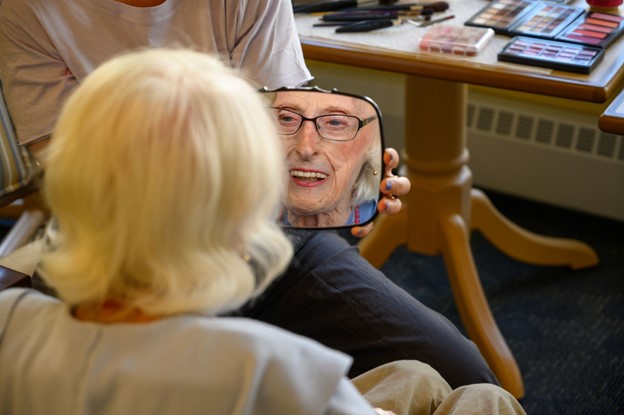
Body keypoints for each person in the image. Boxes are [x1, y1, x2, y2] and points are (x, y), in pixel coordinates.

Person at [0, 0, 500, 388]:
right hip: (122, 248)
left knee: (464, 372)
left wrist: (337, 182)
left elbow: (280, 141)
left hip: (263, 232)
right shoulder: (27, 10)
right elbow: (76, 175)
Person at [270, 89, 382, 227]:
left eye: (335, 122)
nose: (306, 149)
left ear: (373, 142)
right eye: (287, 118)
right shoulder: (245, 218)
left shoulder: (388, 223)